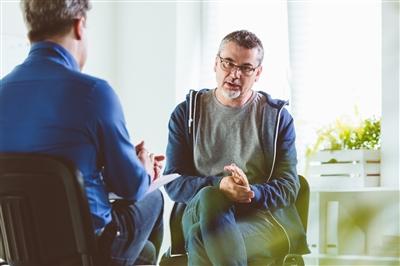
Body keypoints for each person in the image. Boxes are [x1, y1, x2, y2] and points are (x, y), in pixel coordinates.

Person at [0, 0, 164, 265]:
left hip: (21, 251)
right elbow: (131, 187)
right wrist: (143, 166)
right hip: (86, 249)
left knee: (143, 252)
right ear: (80, 26)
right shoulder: (94, 93)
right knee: (152, 197)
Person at [164, 30, 309, 265]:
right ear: (215, 63)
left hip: (256, 219)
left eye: (245, 68)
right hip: (197, 211)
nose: (234, 74)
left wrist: (250, 192)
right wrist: (219, 185)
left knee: (202, 239)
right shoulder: (187, 114)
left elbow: (290, 186)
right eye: (228, 63)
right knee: (212, 197)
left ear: (258, 73)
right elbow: (173, 181)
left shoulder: (277, 118)